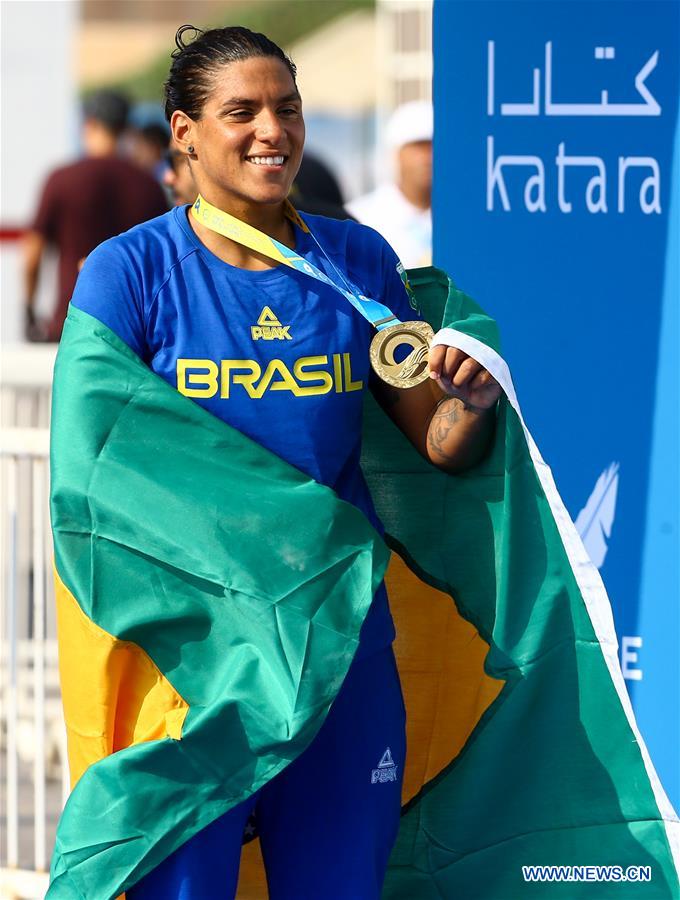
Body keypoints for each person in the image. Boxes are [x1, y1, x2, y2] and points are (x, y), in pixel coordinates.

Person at [65, 25, 500, 898]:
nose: (274, 130)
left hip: (338, 648)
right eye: (243, 112)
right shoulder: (129, 274)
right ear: (184, 132)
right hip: (195, 663)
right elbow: (94, 476)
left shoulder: (357, 260)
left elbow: (439, 444)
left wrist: (471, 403)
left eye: (288, 108)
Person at [22, 89, 168, 342]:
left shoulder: (62, 179)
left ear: (88, 124)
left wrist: (29, 311)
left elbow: (33, 254)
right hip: (132, 329)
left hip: (73, 320)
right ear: (126, 129)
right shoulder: (149, 185)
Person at [348, 100, 433, 268]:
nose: (428, 157)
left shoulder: (464, 217)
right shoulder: (359, 218)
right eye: (418, 147)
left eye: (434, 146)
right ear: (397, 153)